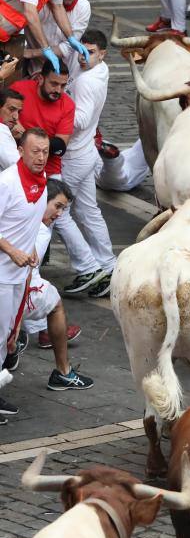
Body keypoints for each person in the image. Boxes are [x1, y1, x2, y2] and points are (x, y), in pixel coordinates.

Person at [12, 60, 107, 296]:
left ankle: (88, 268)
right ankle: (89, 268)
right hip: (19, 164)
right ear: (40, 79)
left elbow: (60, 146)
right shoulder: (22, 90)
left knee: (57, 218)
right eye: (54, 83)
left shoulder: (67, 105)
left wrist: (27, 136)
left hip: (48, 169)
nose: (58, 90)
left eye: (63, 85)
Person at [59, 29, 116, 298]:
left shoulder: (86, 82)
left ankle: (88, 267)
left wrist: (56, 112)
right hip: (86, 155)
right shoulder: (100, 70)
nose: (83, 56)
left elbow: (79, 120)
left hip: (74, 157)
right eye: (81, 50)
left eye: (90, 52)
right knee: (88, 211)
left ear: (102, 54)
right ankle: (108, 266)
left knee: (56, 212)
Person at [22, 179, 93, 391]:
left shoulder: (23, 216)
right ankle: (63, 372)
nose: (60, 213)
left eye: (63, 208)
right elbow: (24, 269)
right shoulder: (41, 231)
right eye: (57, 206)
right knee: (55, 304)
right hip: (18, 290)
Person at [0, 128, 49, 420]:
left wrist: (29, 249)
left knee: (7, 335)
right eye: (35, 151)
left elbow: (25, 226)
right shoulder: (6, 182)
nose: (41, 157)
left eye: (44, 152)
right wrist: (12, 251)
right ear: (20, 151)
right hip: (2, 277)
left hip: (19, 277)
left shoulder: (41, 184)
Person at [24, 0, 91, 75]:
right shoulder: (38, 0)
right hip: (35, 70)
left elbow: (66, 48)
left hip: (66, 72)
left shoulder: (83, 6)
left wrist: (31, 53)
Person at [0, 88, 25, 171]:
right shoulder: (1, 132)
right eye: (11, 109)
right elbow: (19, 168)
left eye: (19, 112)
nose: (16, 117)